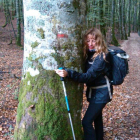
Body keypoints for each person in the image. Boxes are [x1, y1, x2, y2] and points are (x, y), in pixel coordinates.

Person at [55, 28, 113, 140]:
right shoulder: (90, 53)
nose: (90, 44)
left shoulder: (102, 57)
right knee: (97, 119)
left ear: (99, 40)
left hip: (102, 93)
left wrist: (68, 73)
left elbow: (87, 77)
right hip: (94, 92)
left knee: (86, 122)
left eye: (93, 40)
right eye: (88, 41)